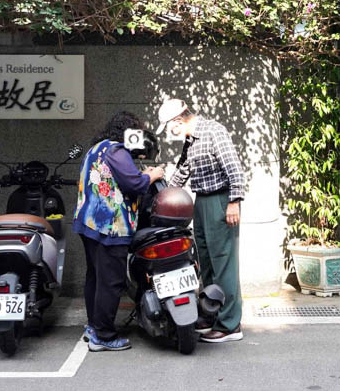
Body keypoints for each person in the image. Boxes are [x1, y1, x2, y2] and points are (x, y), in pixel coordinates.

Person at [73, 111, 165, 351]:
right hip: (110, 226)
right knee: (111, 282)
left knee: (95, 276)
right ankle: (103, 336)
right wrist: (152, 175)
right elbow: (134, 184)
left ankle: (94, 326)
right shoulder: (116, 151)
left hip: (88, 222)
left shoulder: (96, 148)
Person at [157, 98, 245, 342]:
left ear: (178, 120)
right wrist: (163, 195)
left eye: (168, 127)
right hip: (202, 201)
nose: (169, 132)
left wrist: (234, 201)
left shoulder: (213, 131)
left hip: (220, 200)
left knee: (223, 262)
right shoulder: (191, 140)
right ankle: (211, 314)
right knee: (205, 260)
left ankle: (230, 325)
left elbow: (234, 167)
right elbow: (183, 171)